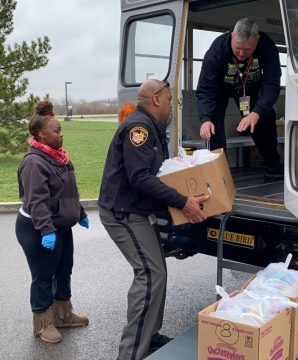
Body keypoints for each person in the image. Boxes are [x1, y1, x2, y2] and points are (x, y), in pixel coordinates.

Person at [98, 79, 209, 359]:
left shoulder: (151, 127)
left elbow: (156, 172)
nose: (172, 104)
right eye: (170, 99)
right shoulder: (140, 128)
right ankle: (131, 352)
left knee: (157, 270)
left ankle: (150, 336)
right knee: (150, 274)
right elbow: (140, 178)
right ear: (156, 99)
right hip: (123, 213)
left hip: (136, 210)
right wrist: (183, 202)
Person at [15, 100, 89, 344]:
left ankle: (63, 315)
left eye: (60, 129)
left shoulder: (59, 157)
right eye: (57, 130)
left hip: (60, 226)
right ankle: (43, 323)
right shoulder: (34, 163)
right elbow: (37, 202)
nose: (61, 134)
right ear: (41, 135)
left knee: (64, 269)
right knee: (44, 275)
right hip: (38, 228)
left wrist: (79, 212)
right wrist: (46, 230)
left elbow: (68, 191)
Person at [197, 17, 283, 180]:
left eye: (247, 50)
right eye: (237, 50)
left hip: (250, 88)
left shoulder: (266, 45)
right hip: (220, 88)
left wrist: (256, 112)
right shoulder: (217, 50)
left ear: (256, 41)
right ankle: (218, 175)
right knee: (212, 126)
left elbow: (271, 82)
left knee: (264, 119)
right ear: (231, 37)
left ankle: (272, 167)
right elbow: (206, 89)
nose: (242, 54)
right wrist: (205, 118)